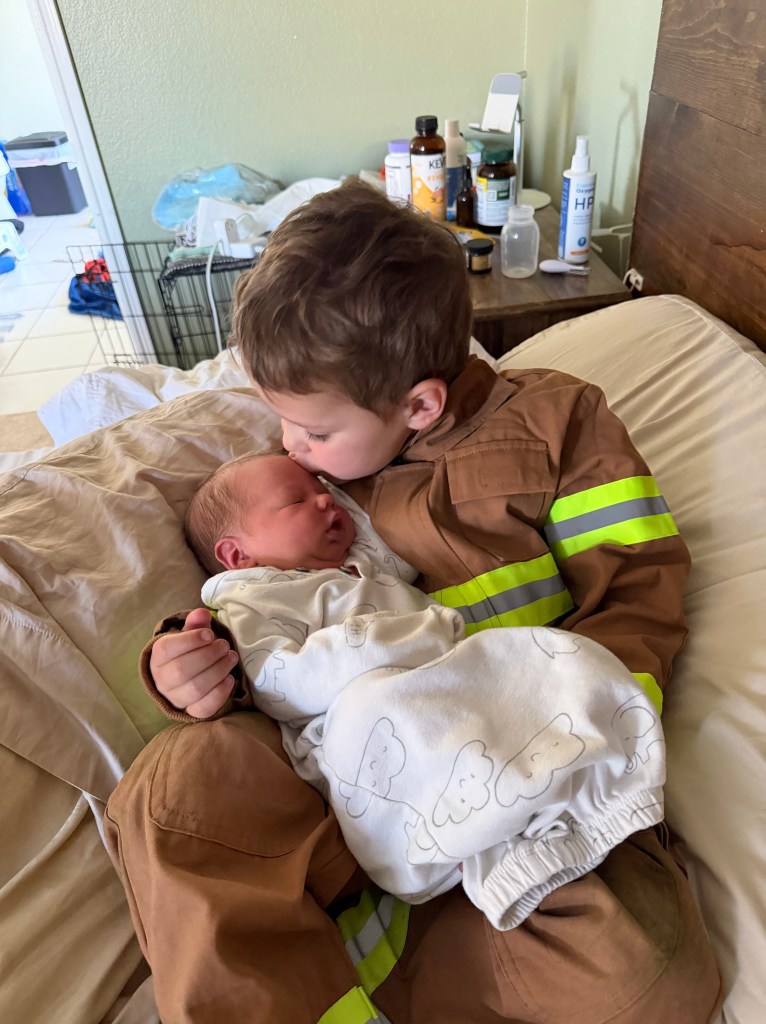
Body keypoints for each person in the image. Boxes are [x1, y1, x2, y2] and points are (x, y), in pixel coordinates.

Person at [105, 179, 721, 1024]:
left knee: (652, 975)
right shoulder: (306, 469)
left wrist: (567, 735)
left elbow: (638, 590)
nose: (291, 447)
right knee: (174, 793)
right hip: (329, 769)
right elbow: (246, 590)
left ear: (421, 404)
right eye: (283, 424)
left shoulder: (557, 421)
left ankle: (405, 961)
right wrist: (191, 660)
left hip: (507, 775)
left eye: (313, 431)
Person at [181, 450, 666, 932]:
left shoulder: (363, 560)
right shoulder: (249, 602)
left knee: (538, 652)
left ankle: (597, 777)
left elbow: (397, 518)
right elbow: (278, 684)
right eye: (297, 501)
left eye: (323, 490)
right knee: (374, 703)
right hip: (362, 732)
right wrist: (391, 641)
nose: (326, 501)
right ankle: (481, 844)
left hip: (441, 681)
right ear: (236, 555)